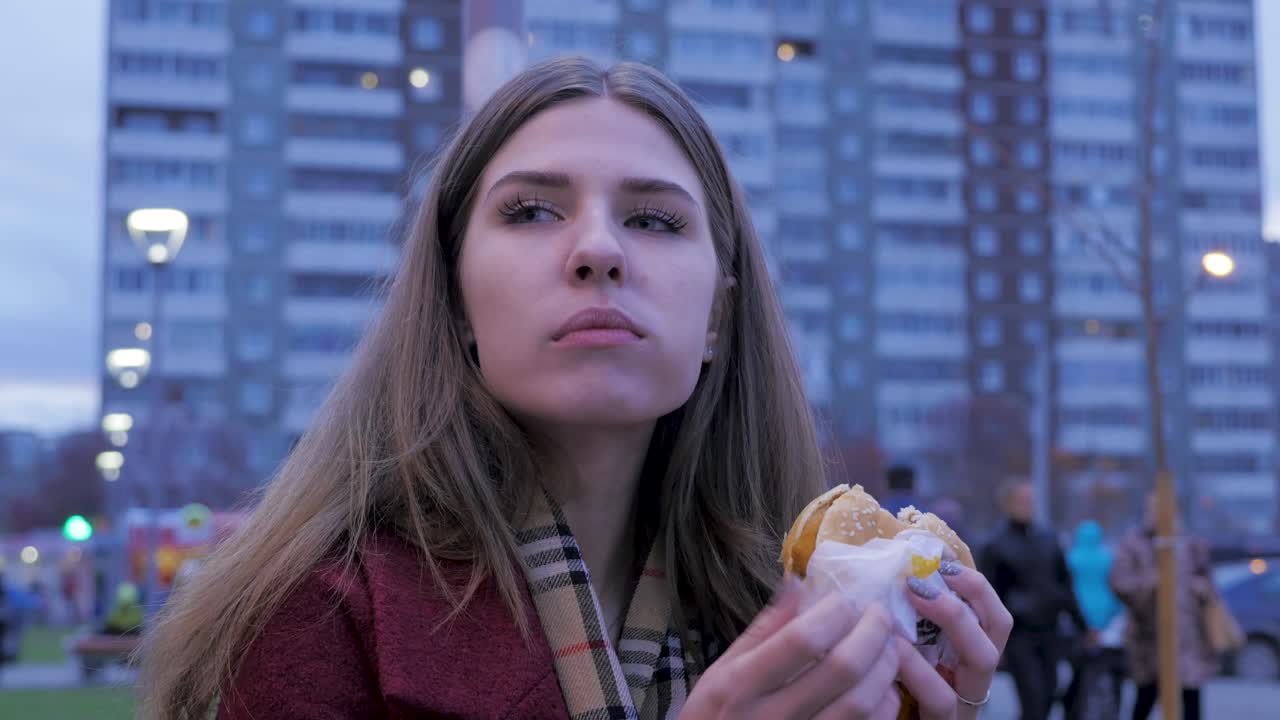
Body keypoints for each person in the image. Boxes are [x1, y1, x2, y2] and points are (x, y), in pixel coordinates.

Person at [139, 57, 1012, 720]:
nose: (599, 250)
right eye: (531, 211)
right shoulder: (317, 614)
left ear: (717, 316)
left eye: (654, 219)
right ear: (455, 300)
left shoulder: (797, 607)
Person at [980, 479, 1090, 720]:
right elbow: (987, 595)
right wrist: (991, 639)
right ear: (1007, 504)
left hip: (1050, 630)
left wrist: (1082, 625)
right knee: (1033, 698)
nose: (1029, 505)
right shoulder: (995, 544)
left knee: (1049, 693)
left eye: (1031, 500)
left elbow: (1065, 585)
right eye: (1023, 500)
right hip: (1019, 634)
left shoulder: (1049, 538)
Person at [1110, 494, 1217, 720]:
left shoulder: (1190, 543)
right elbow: (1120, 583)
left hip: (1187, 640)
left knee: (1190, 701)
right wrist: (1153, 583)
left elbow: (1209, 583)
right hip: (1149, 639)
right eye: (1154, 509)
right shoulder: (1134, 543)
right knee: (1145, 698)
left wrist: (1201, 588)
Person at [1062, 521, 1124, 719]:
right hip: (1106, 623)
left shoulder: (1071, 558)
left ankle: (1073, 711)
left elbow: (1066, 592)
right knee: (1107, 672)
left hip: (1078, 624)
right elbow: (1116, 592)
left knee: (1079, 674)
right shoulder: (1108, 558)